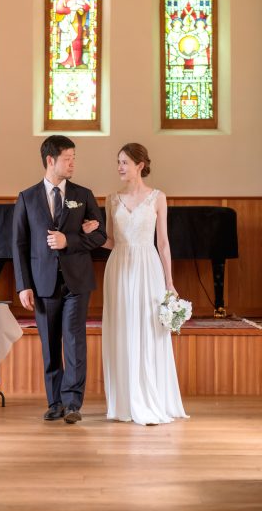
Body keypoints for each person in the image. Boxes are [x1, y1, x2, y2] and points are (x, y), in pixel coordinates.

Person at [83, 143, 188, 425]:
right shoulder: (112, 199)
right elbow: (112, 241)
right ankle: (125, 401)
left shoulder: (157, 197)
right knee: (123, 327)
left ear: (140, 165)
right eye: (118, 161)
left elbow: (163, 244)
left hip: (148, 266)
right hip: (119, 265)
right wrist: (93, 233)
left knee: (148, 329)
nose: (120, 167)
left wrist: (170, 281)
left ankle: (151, 398)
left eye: (125, 162)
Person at [12, 135, 106, 423]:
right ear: (50, 160)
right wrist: (23, 284)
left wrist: (70, 241)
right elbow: (19, 244)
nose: (73, 163)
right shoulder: (26, 198)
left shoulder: (84, 194)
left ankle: (73, 403)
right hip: (42, 284)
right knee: (50, 344)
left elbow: (100, 236)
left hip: (77, 282)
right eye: (68, 158)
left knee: (75, 342)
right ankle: (55, 403)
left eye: (74, 157)